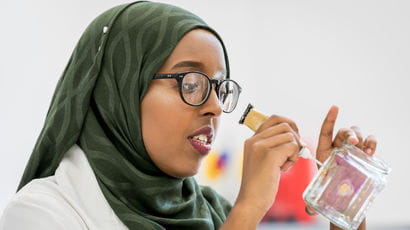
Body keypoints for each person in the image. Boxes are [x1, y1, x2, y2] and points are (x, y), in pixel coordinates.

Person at [0, 1, 377, 230]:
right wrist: (247, 211)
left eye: (218, 87)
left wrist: (341, 196)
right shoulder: (42, 215)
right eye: (191, 83)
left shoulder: (209, 212)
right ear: (121, 89)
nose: (214, 107)